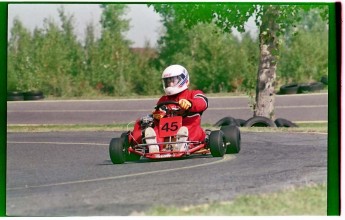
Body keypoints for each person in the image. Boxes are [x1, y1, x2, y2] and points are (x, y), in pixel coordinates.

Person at [128, 64, 208, 153]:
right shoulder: (164, 99)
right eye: (167, 81)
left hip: (189, 127)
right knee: (154, 130)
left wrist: (190, 104)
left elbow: (203, 102)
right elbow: (157, 114)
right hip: (166, 131)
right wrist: (158, 114)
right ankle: (154, 145)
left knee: (192, 132)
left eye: (173, 81)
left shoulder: (193, 94)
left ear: (183, 79)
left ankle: (182, 143)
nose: (170, 84)